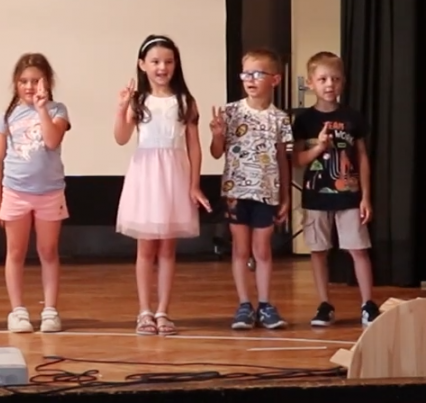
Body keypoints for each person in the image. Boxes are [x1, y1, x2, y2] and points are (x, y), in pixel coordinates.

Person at [113, 36, 211, 336]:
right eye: (155, 61)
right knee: (145, 249)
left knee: (168, 249)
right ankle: (144, 311)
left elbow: (194, 147)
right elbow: (121, 137)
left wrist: (194, 184)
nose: (162, 67)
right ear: (142, 65)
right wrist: (121, 108)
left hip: (174, 177)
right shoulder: (139, 101)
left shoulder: (185, 102)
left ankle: (163, 311)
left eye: (168, 61)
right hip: (146, 178)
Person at [292, 51, 379, 327]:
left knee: (358, 249)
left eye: (335, 79)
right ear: (310, 83)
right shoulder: (304, 120)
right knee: (318, 250)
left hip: (350, 196)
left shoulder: (352, 117)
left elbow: (362, 157)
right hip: (316, 197)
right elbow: (297, 160)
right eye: (323, 79)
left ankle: (368, 304)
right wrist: (318, 147)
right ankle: (324, 304)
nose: (329, 84)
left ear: (343, 82)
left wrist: (366, 196)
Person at [210, 48, 294, 330]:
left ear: (275, 79)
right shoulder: (231, 112)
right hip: (236, 192)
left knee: (263, 250)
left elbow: (283, 159)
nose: (250, 79)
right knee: (240, 250)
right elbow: (216, 152)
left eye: (258, 74)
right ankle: (244, 304)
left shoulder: (280, 118)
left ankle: (266, 304)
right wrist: (217, 135)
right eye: (246, 74)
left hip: (266, 193)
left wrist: (285, 196)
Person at [0, 53, 71, 334]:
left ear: (47, 82)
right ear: (15, 83)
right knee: (15, 252)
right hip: (16, 192)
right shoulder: (7, 116)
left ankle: (50, 310)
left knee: (48, 251)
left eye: (36, 80)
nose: (29, 86)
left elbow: (52, 140)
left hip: (49, 193)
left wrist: (42, 109)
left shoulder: (58, 111)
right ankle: (18, 311)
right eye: (23, 81)